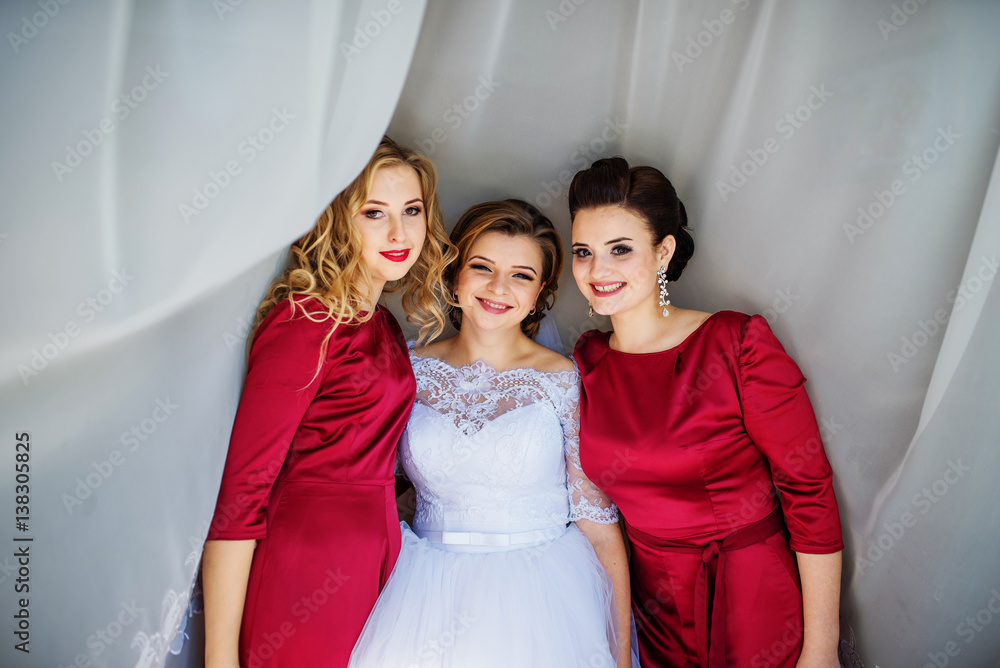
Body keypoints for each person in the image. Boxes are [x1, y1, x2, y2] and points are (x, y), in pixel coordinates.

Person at [569, 157, 843, 668]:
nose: (597, 271)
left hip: (752, 597)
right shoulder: (588, 363)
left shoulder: (736, 344)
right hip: (652, 610)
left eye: (620, 249)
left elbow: (809, 491)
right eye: (583, 252)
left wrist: (822, 648)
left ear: (663, 251)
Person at [201, 136, 456, 668]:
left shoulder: (382, 323)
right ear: (340, 221)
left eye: (412, 211)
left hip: (379, 556)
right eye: (374, 213)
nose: (399, 232)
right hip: (307, 566)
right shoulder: (305, 322)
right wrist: (219, 657)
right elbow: (240, 496)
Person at [349, 199, 635, 668]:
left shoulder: (564, 380)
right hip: (423, 594)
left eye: (521, 275)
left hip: (541, 599)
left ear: (540, 291)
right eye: (482, 267)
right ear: (455, 275)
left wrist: (621, 658)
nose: (498, 287)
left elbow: (600, 528)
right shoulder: (410, 369)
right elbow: (382, 488)